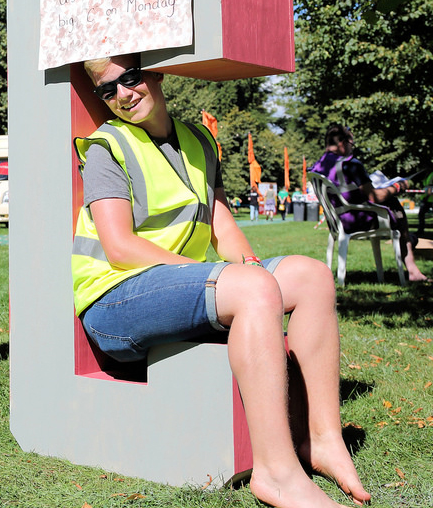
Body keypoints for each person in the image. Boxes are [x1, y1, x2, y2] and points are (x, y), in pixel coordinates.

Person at [73, 54, 370, 508]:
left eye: (129, 79)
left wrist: (247, 261)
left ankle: (322, 439)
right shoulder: (104, 147)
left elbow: (222, 228)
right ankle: (276, 472)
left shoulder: (198, 140)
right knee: (252, 289)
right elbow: (119, 247)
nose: (122, 95)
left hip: (179, 286)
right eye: (107, 89)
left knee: (310, 277)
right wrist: (224, 276)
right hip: (115, 302)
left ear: (155, 72)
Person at [310, 123, 428, 282]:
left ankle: (409, 244)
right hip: (358, 219)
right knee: (394, 204)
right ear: (342, 143)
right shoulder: (351, 164)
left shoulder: (319, 166)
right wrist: (398, 186)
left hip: (337, 220)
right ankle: (412, 266)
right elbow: (375, 197)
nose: (353, 148)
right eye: (352, 144)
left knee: (393, 206)